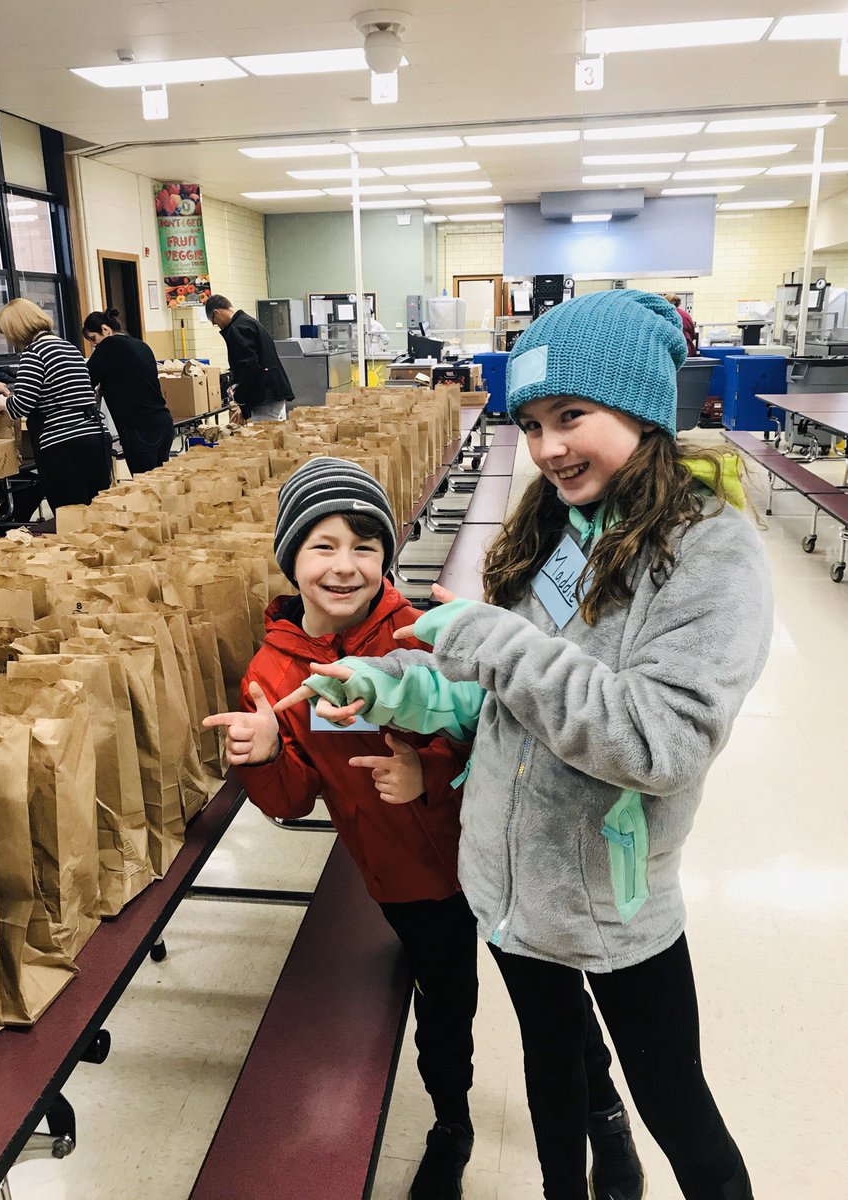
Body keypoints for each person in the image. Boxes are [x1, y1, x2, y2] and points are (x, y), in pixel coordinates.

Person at [281, 291, 773, 1200]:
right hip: (507, 888)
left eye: (572, 416)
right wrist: (396, 686)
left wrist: (487, 635)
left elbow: (656, 741)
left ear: (644, 408)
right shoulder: (554, 530)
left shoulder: (710, 555)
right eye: (534, 422)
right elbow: (491, 699)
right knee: (554, 1080)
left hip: (613, 904)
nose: (548, 448)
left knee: (679, 1110)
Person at [203, 458, 644, 1200]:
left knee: (553, 997)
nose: (345, 566)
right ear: (290, 558)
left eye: (365, 546)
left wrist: (427, 776)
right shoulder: (276, 673)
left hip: (497, 857)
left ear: (387, 555)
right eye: (323, 545)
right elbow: (291, 800)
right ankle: (451, 1124)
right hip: (404, 878)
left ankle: (603, 1112)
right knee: (444, 1008)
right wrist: (265, 754)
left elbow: (497, 735)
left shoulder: (424, 635)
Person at [0, 298, 111, 511]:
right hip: (95, 437)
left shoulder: (34, 353)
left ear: (17, 329)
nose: (10, 340)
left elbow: (21, 405)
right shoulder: (69, 347)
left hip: (64, 446)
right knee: (95, 512)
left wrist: (1, 403)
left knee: (70, 516)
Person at [82, 308, 175, 476]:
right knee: (160, 485)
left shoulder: (109, 345)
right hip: (163, 423)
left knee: (144, 490)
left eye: (94, 339)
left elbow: (84, 381)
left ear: (105, 329)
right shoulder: (141, 345)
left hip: (139, 428)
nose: (95, 345)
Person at [204, 294, 293, 422]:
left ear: (217, 313)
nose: (217, 326)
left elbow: (250, 369)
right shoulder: (248, 322)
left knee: (264, 439)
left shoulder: (237, 329)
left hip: (265, 397)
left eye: (214, 322)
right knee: (274, 437)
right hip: (272, 393)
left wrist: (240, 398)